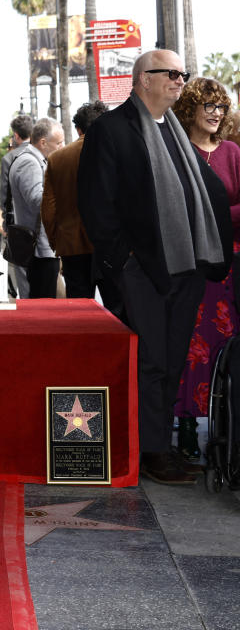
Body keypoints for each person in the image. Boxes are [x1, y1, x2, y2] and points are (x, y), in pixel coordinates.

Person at [78, 50, 232, 485]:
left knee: (171, 360)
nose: (181, 80)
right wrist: (123, 260)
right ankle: (150, 451)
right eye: (172, 73)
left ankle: (160, 444)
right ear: (144, 79)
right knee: (150, 360)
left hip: (187, 266)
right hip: (142, 269)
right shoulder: (111, 129)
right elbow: (96, 204)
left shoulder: (177, 132)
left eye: (183, 73)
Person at [171, 78, 240, 461]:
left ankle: (226, 427)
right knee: (189, 349)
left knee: (227, 346)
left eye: (220, 107)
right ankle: (183, 425)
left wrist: (212, 216)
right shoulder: (179, 152)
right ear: (190, 109)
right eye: (207, 106)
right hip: (191, 265)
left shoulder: (232, 152)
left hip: (231, 269)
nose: (215, 113)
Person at [40, 100, 122, 312]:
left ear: (78, 128)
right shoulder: (117, 152)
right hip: (111, 245)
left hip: (72, 244)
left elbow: (48, 209)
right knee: (117, 309)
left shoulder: (57, 158)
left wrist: (56, 241)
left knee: (78, 312)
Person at [9, 117, 65, 298]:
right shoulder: (29, 162)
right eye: (58, 143)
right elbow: (36, 200)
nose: (61, 147)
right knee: (44, 302)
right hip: (39, 249)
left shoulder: (31, 159)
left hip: (41, 247)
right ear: (43, 142)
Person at [0, 115, 35, 298]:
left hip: (19, 224)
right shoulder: (40, 153)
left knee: (22, 271)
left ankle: (30, 313)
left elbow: (5, 195)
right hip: (43, 223)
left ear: (16, 135)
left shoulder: (9, 158)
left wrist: (6, 222)